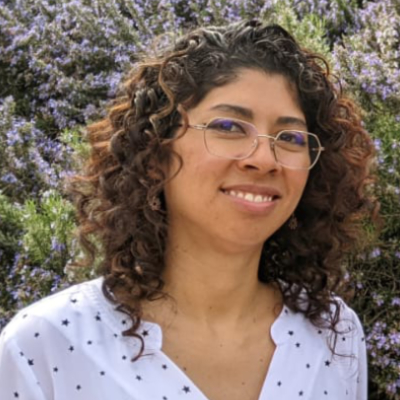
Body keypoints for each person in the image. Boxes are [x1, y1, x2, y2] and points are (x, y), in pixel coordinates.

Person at [0, 20, 376, 400]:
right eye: (229, 126)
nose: (265, 159)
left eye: (291, 137)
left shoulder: (334, 333)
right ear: (155, 154)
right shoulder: (45, 345)